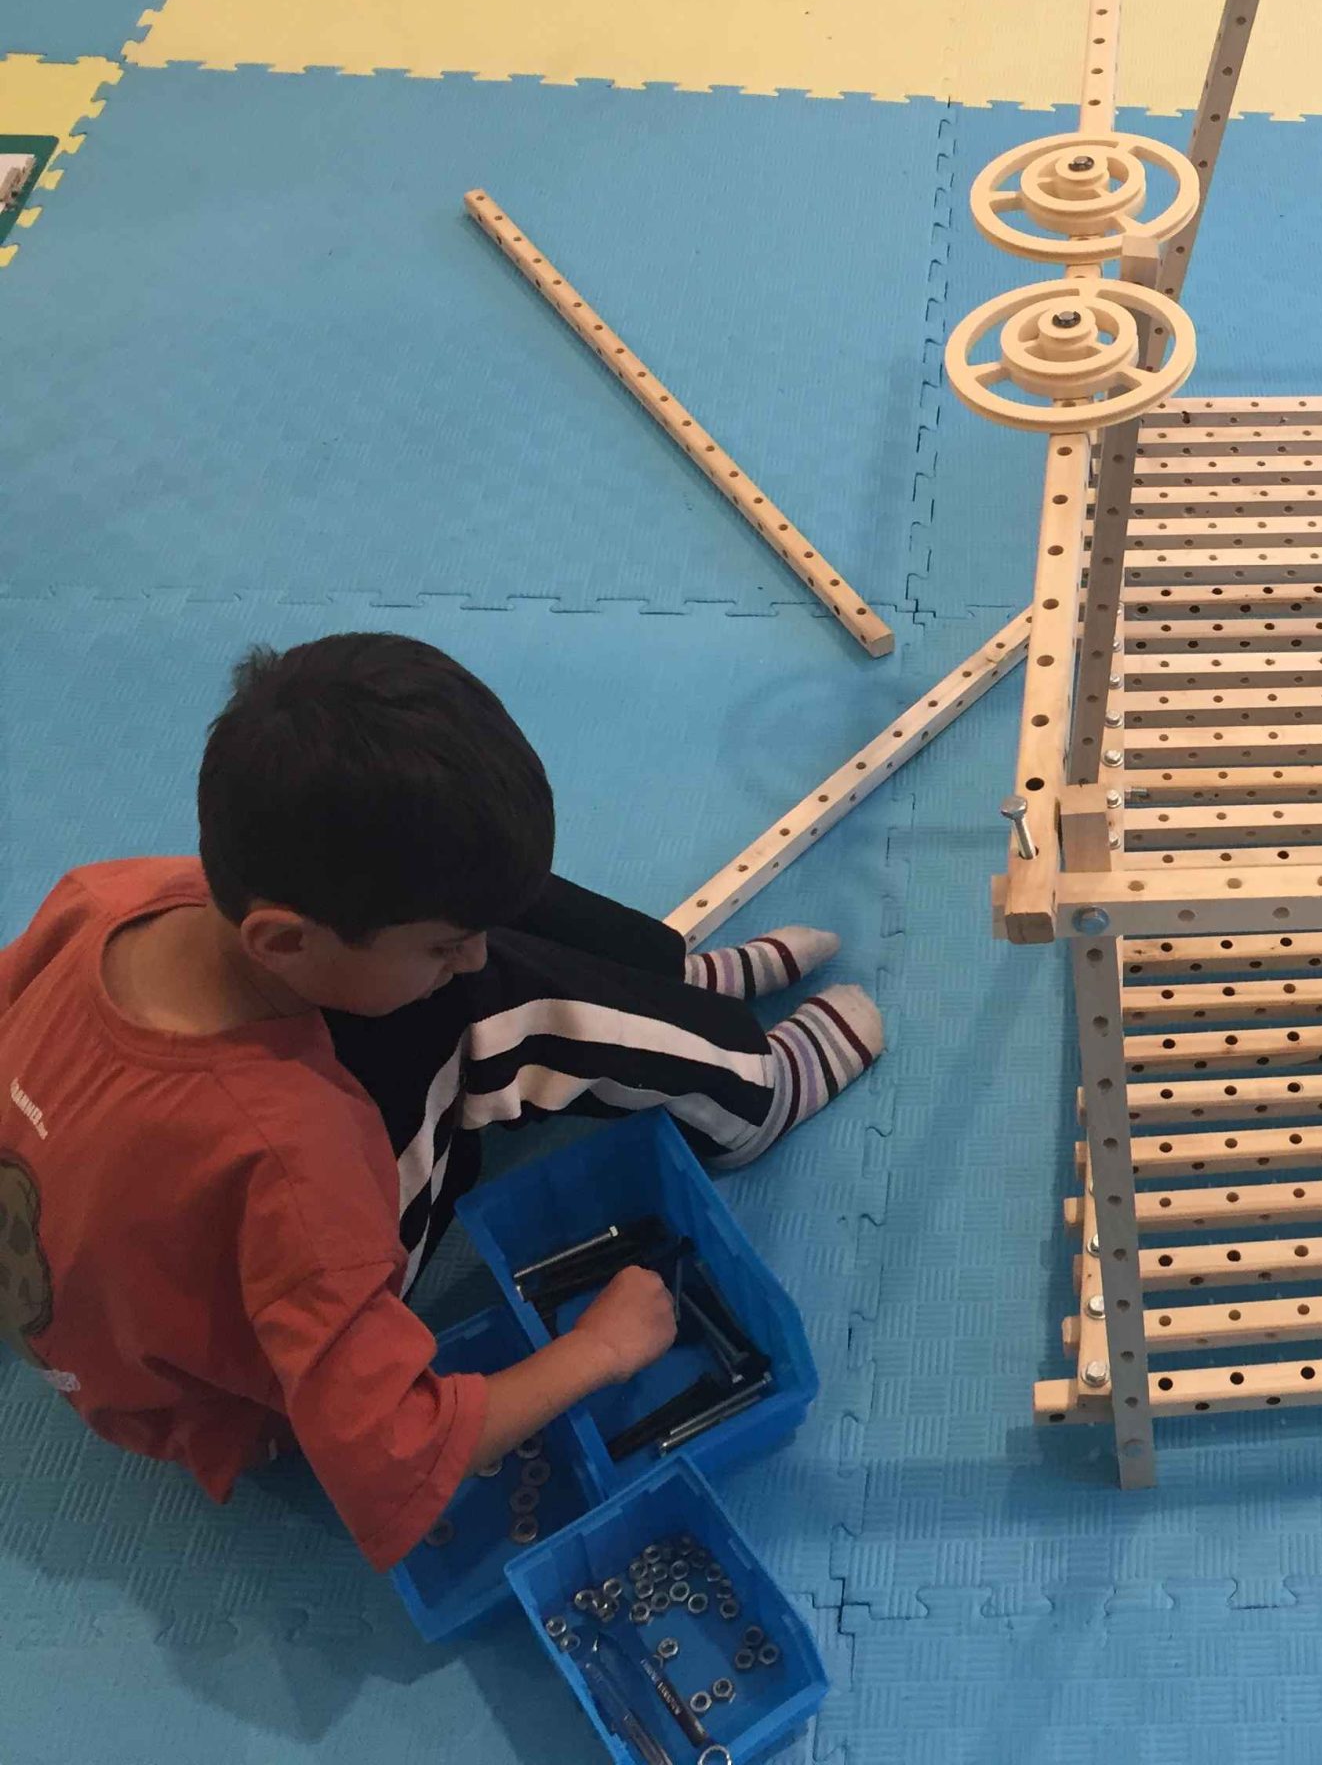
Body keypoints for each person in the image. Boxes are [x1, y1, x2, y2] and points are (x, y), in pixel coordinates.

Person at [0, 633, 885, 1567]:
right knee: (489, 1001)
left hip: (131, 1307)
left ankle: (666, 986)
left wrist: (443, 942)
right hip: (249, 1403)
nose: (466, 950)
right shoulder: (299, 1167)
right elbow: (394, 1458)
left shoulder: (108, 897)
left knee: (466, 885)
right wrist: (599, 1350)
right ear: (283, 942)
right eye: (441, 944)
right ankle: (749, 1097)